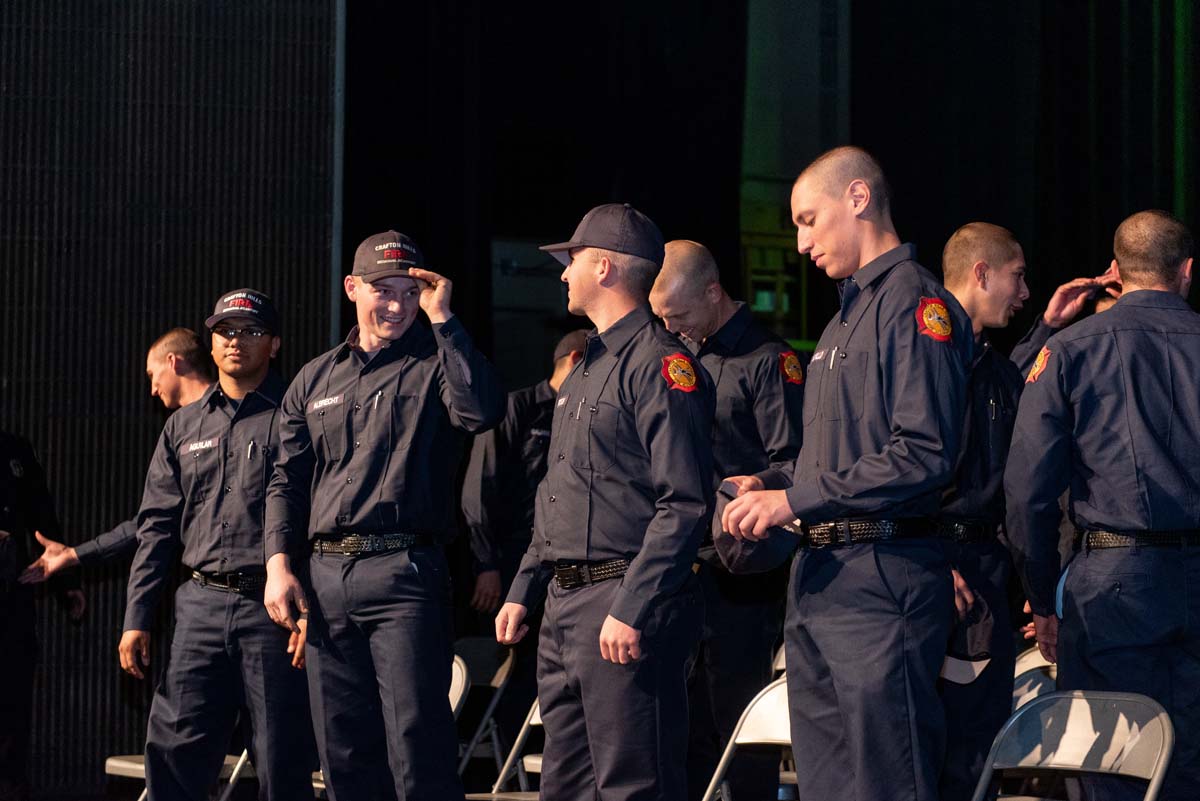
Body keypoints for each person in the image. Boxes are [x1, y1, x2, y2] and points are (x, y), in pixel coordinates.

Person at [721, 146, 971, 801]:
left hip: (882, 578)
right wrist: (771, 486)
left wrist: (794, 499)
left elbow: (923, 451)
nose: (800, 242)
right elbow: (828, 459)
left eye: (808, 219)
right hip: (820, 578)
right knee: (826, 786)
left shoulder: (917, 304)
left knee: (888, 782)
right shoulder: (837, 322)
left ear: (857, 199)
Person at [263, 231, 504, 800]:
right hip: (325, 582)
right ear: (352, 288)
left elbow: (480, 411)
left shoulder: (438, 362)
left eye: (408, 291)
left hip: (406, 574)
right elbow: (286, 480)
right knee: (343, 750)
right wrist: (277, 563)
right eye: (381, 290)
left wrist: (443, 320)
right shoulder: (315, 377)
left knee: (418, 746)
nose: (396, 305)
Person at [495, 203, 715, 801]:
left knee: (634, 784)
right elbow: (559, 491)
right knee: (563, 785)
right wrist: (525, 586)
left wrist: (632, 604)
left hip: (624, 603)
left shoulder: (662, 366)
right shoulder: (586, 366)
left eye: (571, 260)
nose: (562, 273)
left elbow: (686, 504)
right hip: (565, 606)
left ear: (606, 267)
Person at [1005, 209, 1200, 800]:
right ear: (1188, 271)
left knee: (1114, 769)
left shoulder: (1070, 350)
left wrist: (1042, 598)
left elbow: (1028, 493)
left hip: (1113, 587)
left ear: (1115, 272)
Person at [118, 290, 313, 801]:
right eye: (226, 331)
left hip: (271, 614)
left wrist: (310, 604)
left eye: (250, 332)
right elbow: (156, 528)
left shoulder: (300, 415)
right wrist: (137, 617)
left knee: (281, 758)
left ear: (274, 344)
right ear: (211, 341)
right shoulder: (183, 425)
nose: (235, 342)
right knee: (174, 752)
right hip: (199, 607)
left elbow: (320, 519)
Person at [648, 238, 803, 801]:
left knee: (740, 725)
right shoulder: (679, 357)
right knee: (684, 726)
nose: (673, 327)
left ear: (714, 293)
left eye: (681, 315)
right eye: (663, 318)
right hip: (681, 566)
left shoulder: (769, 360)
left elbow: (795, 463)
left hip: (740, 570)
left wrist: (760, 483)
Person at [936, 222, 1030, 800]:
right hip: (927, 565)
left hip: (986, 571)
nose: (1024, 293)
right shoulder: (916, 355)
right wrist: (925, 560)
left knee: (979, 753)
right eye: (1017, 277)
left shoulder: (1000, 371)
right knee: (926, 747)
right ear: (981, 273)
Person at [460, 328, 587, 741]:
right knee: (510, 668)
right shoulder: (518, 407)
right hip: (510, 562)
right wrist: (487, 565)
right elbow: (478, 491)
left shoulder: (586, 412)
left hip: (565, 563)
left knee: (551, 670)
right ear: (574, 360)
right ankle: (506, 760)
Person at [20, 328, 215, 583]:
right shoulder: (176, 432)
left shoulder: (243, 414)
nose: (153, 390)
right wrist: (75, 554)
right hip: (201, 592)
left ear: (172, 361)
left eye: (152, 374)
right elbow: (151, 521)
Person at [0, 432, 84, 801]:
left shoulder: (14, 449)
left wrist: (68, 584)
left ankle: (11, 787)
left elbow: (41, 515)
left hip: (12, 593)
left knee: (13, 701)